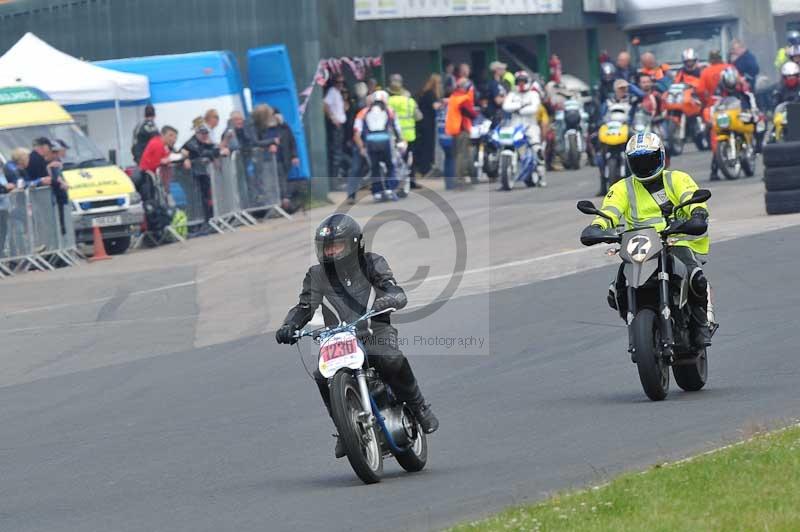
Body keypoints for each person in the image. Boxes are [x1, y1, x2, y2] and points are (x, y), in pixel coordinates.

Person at [275, 213, 439, 457]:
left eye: (337, 246)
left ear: (354, 243)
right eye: (326, 248)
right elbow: (304, 307)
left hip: (374, 329)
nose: (331, 253)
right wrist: (290, 325)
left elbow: (392, 287)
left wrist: (392, 296)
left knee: (389, 358)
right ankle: (345, 428)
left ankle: (419, 407)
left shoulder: (372, 262)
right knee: (321, 375)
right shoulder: (316, 275)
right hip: (337, 337)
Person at [581, 132, 715, 348]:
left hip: (675, 240)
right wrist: (597, 227)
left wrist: (698, 214)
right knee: (616, 290)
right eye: (638, 161)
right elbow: (609, 212)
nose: (643, 166)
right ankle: (636, 323)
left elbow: (692, 199)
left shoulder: (677, 179)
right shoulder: (622, 188)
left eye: (648, 159)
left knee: (694, 277)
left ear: (661, 156)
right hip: (638, 245)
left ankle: (701, 324)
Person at [709, 67, 758, 181]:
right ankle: (714, 171)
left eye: (732, 84)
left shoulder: (743, 89)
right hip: (725, 118)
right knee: (716, 142)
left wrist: (752, 111)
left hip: (739, 116)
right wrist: (711, 117)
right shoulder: (719, 91)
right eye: (727, 84)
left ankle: (755, 148)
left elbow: (750, 99)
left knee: (757, 127)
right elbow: (714, 105)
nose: (730, 87)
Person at [355, 90, 403, 202]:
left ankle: (377, 192)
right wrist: (400, 140)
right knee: (390, 165)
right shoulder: (389, 111)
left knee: (374, 168)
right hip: (385, 142)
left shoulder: (364, 112)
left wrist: (362, 146)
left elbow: (359, 131)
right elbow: (396, 127)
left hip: (370, 143)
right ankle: (390, 189)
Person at [503, 71, 546, 186]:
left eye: (523, 81)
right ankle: (506, 170)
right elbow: (506, 106)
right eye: (519, 81)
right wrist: (521, 106)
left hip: (530, 125)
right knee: (507, 144)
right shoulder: (512, 94)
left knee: (537, 148)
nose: (521, 84)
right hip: (514, 126)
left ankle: (541, 176)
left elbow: (534, 108)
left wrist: (518, 109)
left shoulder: (533, 94)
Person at [181, 120, 229, 223]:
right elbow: (202, 153)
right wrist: (217, 153)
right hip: (193, 179)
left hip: (202, 176)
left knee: (207, 198)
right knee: (199, 200)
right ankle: (202, 222)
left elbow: (213, 148)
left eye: (206, 133)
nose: (205, 136)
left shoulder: (205, 142)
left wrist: (220, 150)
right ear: (197, 133)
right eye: (202, 134)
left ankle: (210, 219)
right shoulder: (191, 144)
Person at [387, 74, 422, 187]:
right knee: (409, 160)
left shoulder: (387, 101)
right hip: (408, 136)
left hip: (393, 136)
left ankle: (394, 182)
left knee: (394, 160)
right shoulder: (409, 101)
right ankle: (410, 182)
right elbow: (419, 117)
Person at [445, 77, 477, 188]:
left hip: (455, 129)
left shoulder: (454, 97)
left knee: (458, 154)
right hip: (462, 129)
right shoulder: (463, 99)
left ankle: (460, 179)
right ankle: (460, 180)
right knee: (462, 155)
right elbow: (472, 114)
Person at [415, 73, 443, 178]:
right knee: (427, 146)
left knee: (426, 145)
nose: (440, 85)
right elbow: (435, 106)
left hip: (424, 122)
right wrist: (445, 103)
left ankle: (425, 167)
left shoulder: (425, 92)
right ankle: (425, 168)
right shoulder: (430, 94)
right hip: (427, 123)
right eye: (439, 83)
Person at [324, 75, 347, 182]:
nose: (341, 84)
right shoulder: (332, 92)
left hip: (341, 125)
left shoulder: (338, 93)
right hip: (335, 126)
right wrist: (332, 118)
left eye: (342, 82)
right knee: (336, 154)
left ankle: (338, 176)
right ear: (334, 83)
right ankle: (334, 181)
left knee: (339, 151)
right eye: (338, 82)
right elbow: (325, 104)